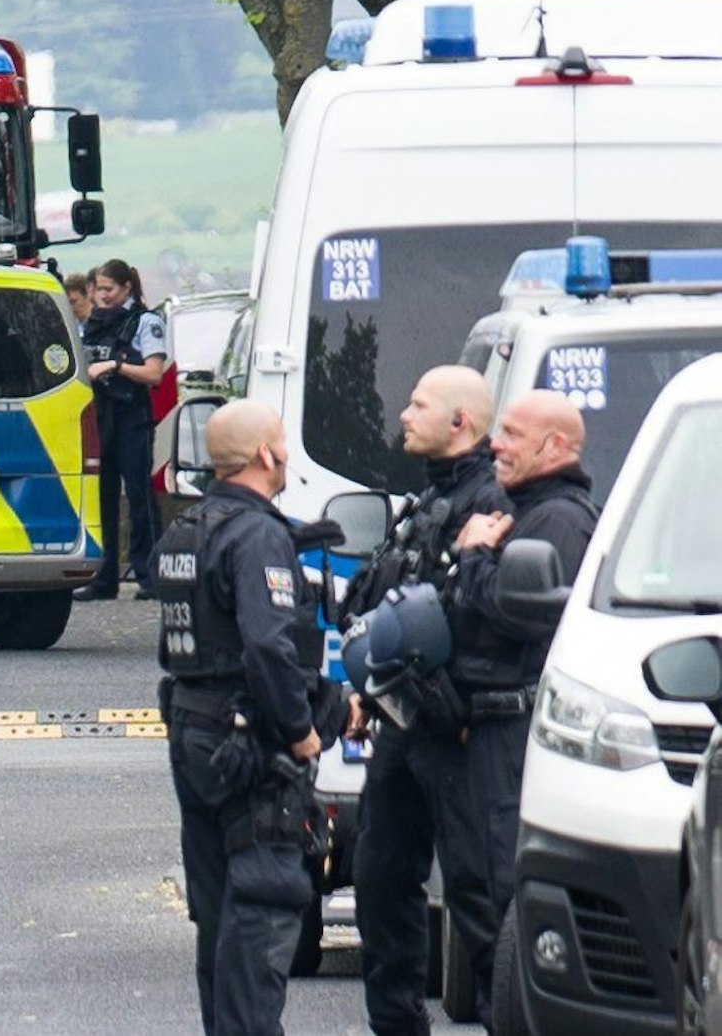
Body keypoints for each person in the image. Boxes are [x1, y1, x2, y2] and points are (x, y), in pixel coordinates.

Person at [157, 399, 331, 1036]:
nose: (284, 453)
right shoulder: (256, 533)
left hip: (194, 733)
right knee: (260, 906)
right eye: (282, 442)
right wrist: (301, 730)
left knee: (219, 913)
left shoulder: (188, 529)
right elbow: (266, 644)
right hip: (247, 745)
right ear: (266, 454)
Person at [348, 366, 507, 1034]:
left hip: (456, 730)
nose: (403, 414)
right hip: (402, 722)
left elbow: (482, 619)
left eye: (418, 405)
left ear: (458, 422)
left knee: (474, 892)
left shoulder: (493, 505)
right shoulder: (425, 503)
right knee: (380, 882)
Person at [452, 389, 598, 919]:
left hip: (517, 727)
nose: (495, 445)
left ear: (555, 446)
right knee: (476, 884)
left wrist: (472, 557)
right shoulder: (519, 512)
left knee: (501, 890)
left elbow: (520, 614)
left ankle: (506, 1006)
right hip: (490, 725)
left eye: (513, 434)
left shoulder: (559, 521)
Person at [79, 259, 168, 600]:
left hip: (132, 418)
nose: (102, 296)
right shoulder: (92, 324)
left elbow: (154, 373)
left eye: (108, 289)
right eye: (98, 289)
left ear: (126, 288)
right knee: (101, 498)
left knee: (139, 496)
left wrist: (115, 365)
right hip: (101, 417)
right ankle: (104, 578)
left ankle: (150, 575)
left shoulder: (145, 322)